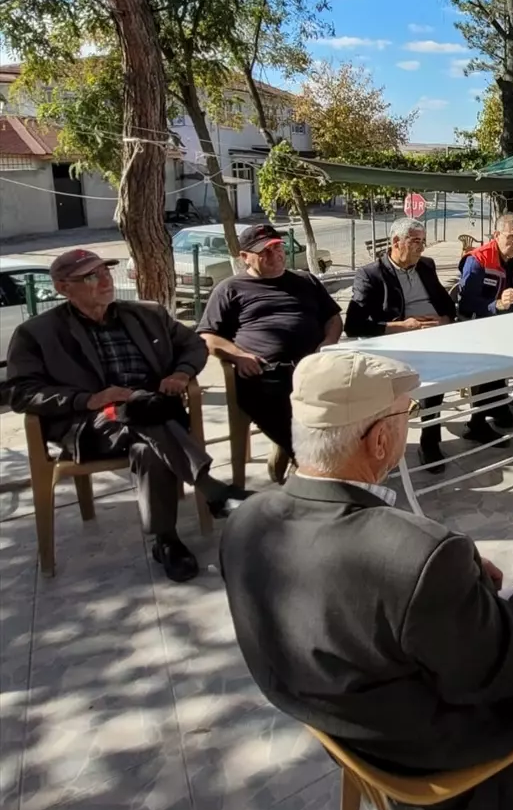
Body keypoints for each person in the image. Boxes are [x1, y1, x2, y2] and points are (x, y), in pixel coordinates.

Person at [220, 351, 513, 810]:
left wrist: (453, 576)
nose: (409, 426)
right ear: (379, 440)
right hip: (429, 751)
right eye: (406, 416)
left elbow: (358, 584)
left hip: (343, 727)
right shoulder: (418, 553)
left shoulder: (247, 519)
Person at [5, 249, 247, 582]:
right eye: (90, 277)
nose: (104, 280)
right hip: (91, 422)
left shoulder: (146, 314)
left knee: (147, 442)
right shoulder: (37, 333)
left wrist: (181, 373)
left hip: (154, 411)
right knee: (141, 413)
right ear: (63, 288)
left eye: (105, 271)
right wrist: (88, 399)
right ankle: (212, 490)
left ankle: (167, 541)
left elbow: (193, 344)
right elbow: (19, 392)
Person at [198, 223, 343, 480]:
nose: (274, 254)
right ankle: (315, 471)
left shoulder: (305, 280)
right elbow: (208, 336)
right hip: (266, 374)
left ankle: (306, 458)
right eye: (264, 251)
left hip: (314, 367)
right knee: (305, 435)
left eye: (277, 247)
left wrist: (329, 341)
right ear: (245, 257)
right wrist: (237, 355)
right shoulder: (230, 289)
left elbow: (333, 319)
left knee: (356, 401)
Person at [345, 218, 456, 472]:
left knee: (481, 362)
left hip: (436, 335)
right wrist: (401, 326)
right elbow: (354, 325)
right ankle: (429, 441)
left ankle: (483, 416)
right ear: (396, 242)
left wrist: (444, 319)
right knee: (432, 376)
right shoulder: (371, 274)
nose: (422, 248)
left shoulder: (426, 266)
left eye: (423, 241)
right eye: (416, 241)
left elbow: (445, 303)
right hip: (399, 342)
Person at [459, 212, 513, 440]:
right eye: (511, 237)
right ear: (496, 235)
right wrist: (497, 304)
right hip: (477, 325)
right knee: (494, 358)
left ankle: (509, 401)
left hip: (512, 324)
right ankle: (477, 421)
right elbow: (466, 303)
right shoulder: (477, 260)